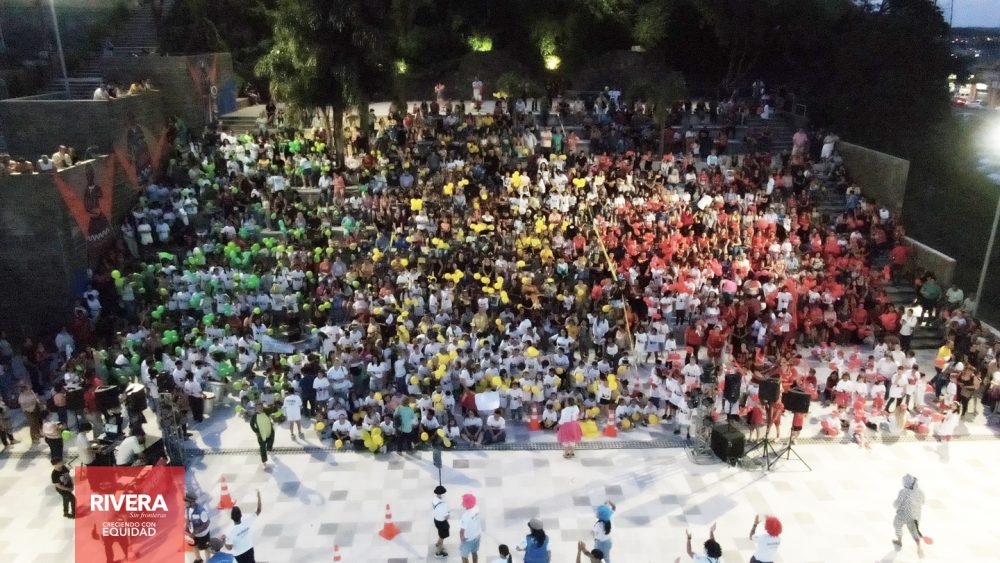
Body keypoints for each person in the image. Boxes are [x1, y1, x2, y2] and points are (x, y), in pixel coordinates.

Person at [222, 489, 262, 563]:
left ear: (231, 518)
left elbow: (229, 548)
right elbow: (258, 510)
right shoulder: (247, 522)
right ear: (241, 515)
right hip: (249, 549)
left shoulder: (231, 533)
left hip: (239, 554)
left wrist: (224, 540)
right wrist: (259, 496)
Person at [892, 474, 926, 558]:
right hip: (916, 516)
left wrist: (895, 504)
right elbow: (923, 502)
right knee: (914, 531)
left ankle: (899, 541)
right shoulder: (920, 492)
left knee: (897, 525)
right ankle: (919, 548)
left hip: (903, 514)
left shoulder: (903, 492)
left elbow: (897, 504)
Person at [185, 492, 212, 563]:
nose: (184, 502)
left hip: (203, 535)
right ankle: (198, 559)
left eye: (186, 501)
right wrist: (186, 529)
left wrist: (194, 533)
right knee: (194, 545)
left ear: (192, 502)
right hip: (192, 533)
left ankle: (208, 561)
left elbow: (206, 523)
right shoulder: (187, 508)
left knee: (206, 548)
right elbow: (188, 518)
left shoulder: (201, 511)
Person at [249, 403, 274, 468]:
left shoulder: (266, 412)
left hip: (269, 431)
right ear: (256, 408)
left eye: (261, 407)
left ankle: (269, 450)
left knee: (270, 442)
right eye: (258, 407)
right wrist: (256, 431)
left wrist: (267, 406)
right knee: (262, 448)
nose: (260, 409)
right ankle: (264, 462)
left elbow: (273, 409)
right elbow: (251, 424)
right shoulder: (254, 416)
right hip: (261, 434)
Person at [459, 493, 482, 563]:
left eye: (463, 501)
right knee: (474, 552)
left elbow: (462, 531)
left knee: (464, 556)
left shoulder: (466, 515)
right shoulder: (477, 508)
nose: (462, 502)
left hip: (468, 539)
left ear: (467, 504)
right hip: (477, 536)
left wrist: (462, 540)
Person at [432, 485, 450, 558]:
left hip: (436, 520)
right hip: (442, 522)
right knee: (442, 536)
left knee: (440, 532)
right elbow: (446, 517)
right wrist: (449, 514)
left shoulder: (434, 499)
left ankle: (437, 543)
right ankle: (439, 552)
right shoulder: (443, 504)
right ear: (442, 494)